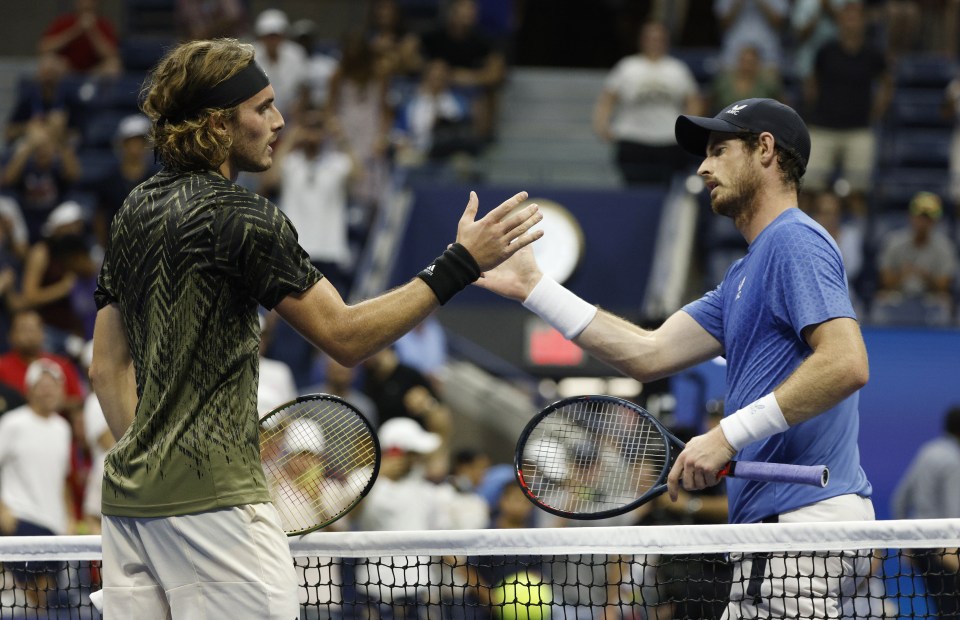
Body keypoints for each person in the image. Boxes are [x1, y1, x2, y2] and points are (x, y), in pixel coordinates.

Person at [87, 38, 541, 620]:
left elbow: (106, 368)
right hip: (216, 506)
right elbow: (345, 337)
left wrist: (151, 465)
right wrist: (460, 264)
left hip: (129, 504)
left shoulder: (133, 212)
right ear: (219, 125)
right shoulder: (243, 218)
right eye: (263, 107)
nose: (279, 121)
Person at [479, 97, 874, 618]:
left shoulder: (793, 240)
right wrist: (535, 288)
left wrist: (726, 436)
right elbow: (647, 352)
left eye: (717, 150)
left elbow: (846, 364)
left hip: (798, 530)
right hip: (792, 531)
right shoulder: (742, 275)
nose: (703, 166)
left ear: (765, 150)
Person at [0, 359, 75, 609]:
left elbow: (63, 480)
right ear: (29, 389)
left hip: (55, 529)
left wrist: (70, 520)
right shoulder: (12, 423)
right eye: (42, 385)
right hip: (21, 521)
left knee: (45, 604)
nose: (49, 390)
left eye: (54, 384)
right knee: (32, 601)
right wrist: (2, 510)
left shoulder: (63, 428)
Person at [593, 21, 703, 186]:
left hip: (668, 141)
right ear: (641, 40)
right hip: (632, 139)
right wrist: (602, 124)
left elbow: (694, 101)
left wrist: (689, 131)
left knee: (666, 189)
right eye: (650, 38)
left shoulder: (677, 69)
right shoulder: (627, 67)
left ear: (666, 42)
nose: (654, 42)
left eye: (659, 38)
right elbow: (608, 99)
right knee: (634, 188)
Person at [891, 405, 960, 619]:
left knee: (943, 609)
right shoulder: (953, 461)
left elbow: (899, 500)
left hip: (920, 545)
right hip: (944, 548)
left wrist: (906, 545)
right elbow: (953, 513)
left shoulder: (927, 451)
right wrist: (950, 550)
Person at [873, 191, 957, 325]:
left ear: (935, 220)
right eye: (919, 216)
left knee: (944, 302)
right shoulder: (894, 241)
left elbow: (944, 285)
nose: (923, 222)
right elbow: (885, 281)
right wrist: (903, 274)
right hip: (899, 294)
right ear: (911, 216)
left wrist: (925, 276)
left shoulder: (944, 246)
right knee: (881, 300)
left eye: (928, 217)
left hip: (930, 297)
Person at [37, 0, 121, 77]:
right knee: (47, 62)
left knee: (113, 65)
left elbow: (112, 55)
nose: (86, 3)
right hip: (67, 69)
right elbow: (43, 47)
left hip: (93, 73)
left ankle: (104, 94)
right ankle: (49, 94)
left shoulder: (104, 24)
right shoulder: (64, 21)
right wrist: (77, 30)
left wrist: (92, 31)